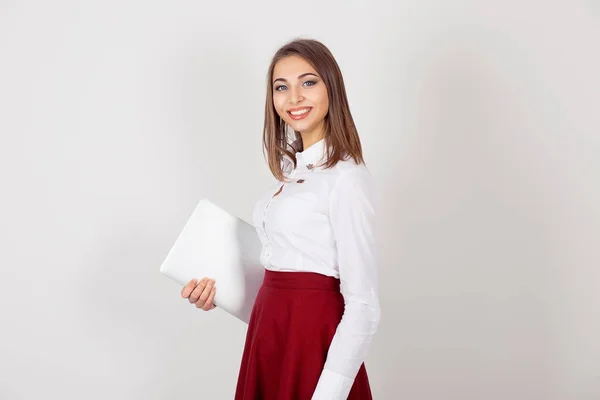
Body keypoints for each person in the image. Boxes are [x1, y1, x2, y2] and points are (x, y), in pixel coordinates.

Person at [181, 38, 381, 400]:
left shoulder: (346, 177)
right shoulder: (290, 172)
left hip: (312, 343)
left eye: (308, 82)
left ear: (331, 88)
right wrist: (219, 292)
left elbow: (364, 307)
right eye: (281, 87)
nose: (294, 98)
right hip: (269, 331)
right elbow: (285, 269)